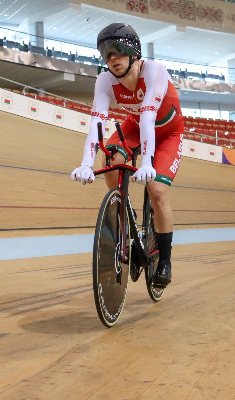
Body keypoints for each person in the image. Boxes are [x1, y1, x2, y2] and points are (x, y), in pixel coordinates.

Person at [71, 23, 184, 287]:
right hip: (134, 127)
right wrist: (86, 163)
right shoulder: (104, 80)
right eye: (106, 53)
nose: (112, 58)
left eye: (118, 50)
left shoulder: (154, 70)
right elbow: (97, 122)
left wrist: (147, 162)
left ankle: (165, 261)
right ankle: (128, 219)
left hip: (167, 133)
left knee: (156, 191)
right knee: (110, 162)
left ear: (134, 53)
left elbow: (147, 114)